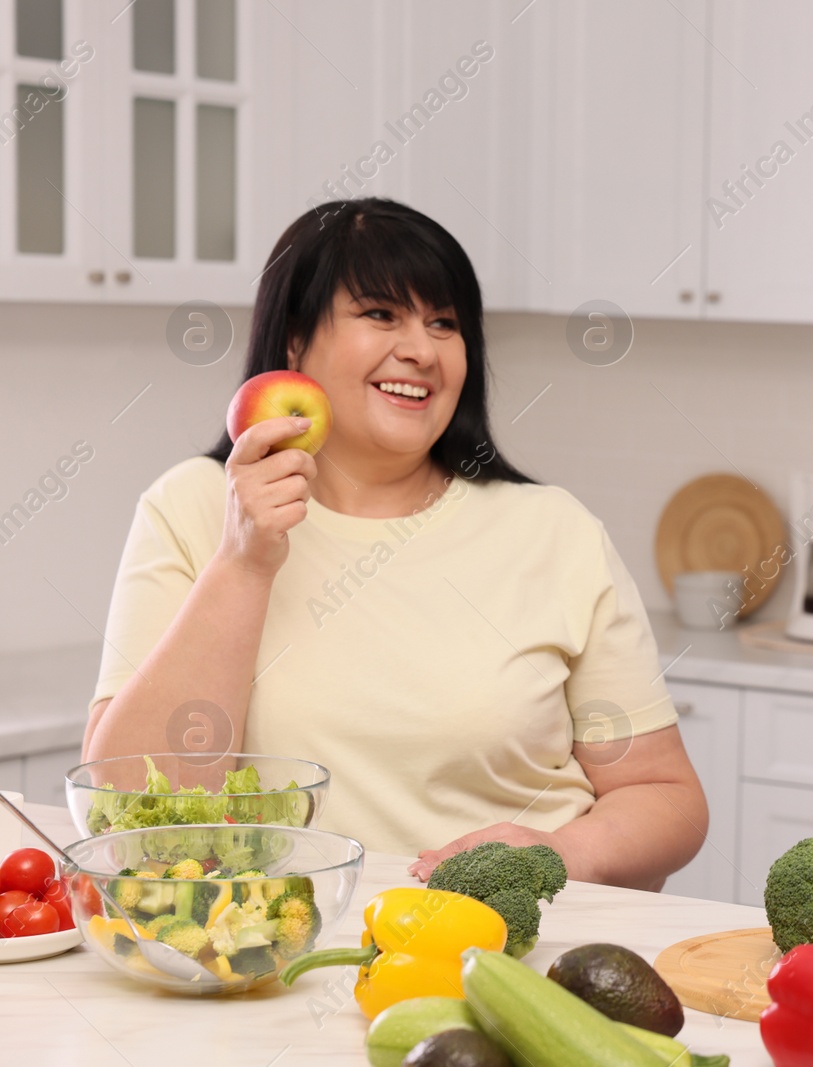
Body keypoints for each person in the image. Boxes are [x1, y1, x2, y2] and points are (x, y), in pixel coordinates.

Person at [83, 199, 708, 891]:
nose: (421, 348)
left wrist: (555, 855)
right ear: (293, 340)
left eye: (444, 322)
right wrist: (245, 560)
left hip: (511, 952)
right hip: (275, 960)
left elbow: (666, 797)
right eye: (381, 314)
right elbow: (122, 812)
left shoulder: (555, 530)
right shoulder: (195, 507)